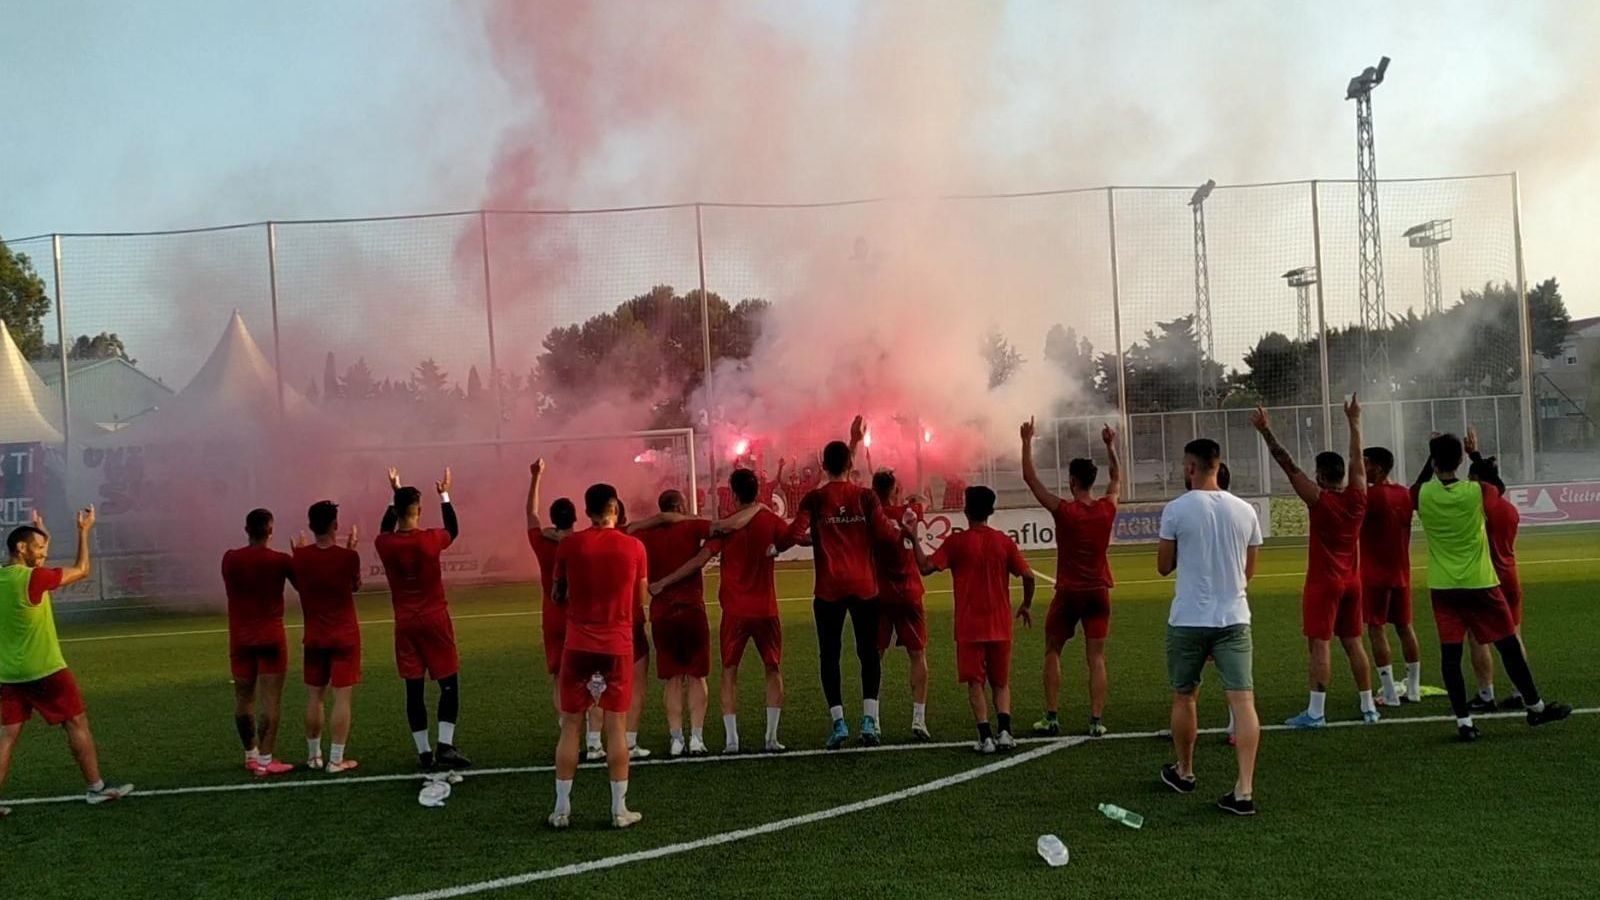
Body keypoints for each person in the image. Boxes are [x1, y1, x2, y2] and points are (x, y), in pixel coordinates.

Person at [1411, 433, 1569, 741]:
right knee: (1509, 646)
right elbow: (1499, 485)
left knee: (1450, 656)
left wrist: (1429, 457)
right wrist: (1476, 455)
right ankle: (1535, 708)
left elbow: (1416, 486)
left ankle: (1464, 723)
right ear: (1459, 461)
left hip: (1443, 587)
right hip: (1481, 583)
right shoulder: (1476, 491)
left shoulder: (1422, 495)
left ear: (1432, 461)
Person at [1252, 397, 1378, 727]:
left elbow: (1288, 465)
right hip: (1353, 581)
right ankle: (1369, 707)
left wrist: (1266, 432)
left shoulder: (1319, 501)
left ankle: (1316, 712)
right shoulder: (1358, 497)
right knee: (1354, 643)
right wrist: (1354, 423)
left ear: (1321, 476)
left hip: (1324, 583)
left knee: (1319, 645)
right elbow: (1357, 462)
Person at [0, 507, 133, 817]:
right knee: (76, 723)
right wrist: (84, 531)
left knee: (6, 737)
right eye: (40, 548)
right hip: (45, 669)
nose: (44, 554)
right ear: (22, 548)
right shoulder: (33, 579)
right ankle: (96, 788)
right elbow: (83, 569)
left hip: (8, 673)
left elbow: (38, 563)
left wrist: (41, 531)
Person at [652, 468, 794, 753]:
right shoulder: (769, 519)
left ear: (733, 493)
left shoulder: (727, 526)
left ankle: (731, 740)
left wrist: (665, 581)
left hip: (734, 611)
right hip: (766, 609)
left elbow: (699, 560)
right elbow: (793, 537)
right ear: (758, 491)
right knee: (773, 668)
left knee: (729, 671)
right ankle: (771, 737)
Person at [1156, 438, 1261, 817]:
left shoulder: (1176, 509)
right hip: (1233, 617)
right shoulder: (1245, 510)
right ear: (1219, 465)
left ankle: (1185, 771)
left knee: (1185, 696)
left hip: (1188, 619)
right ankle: (1245, 789)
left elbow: (1164, 565)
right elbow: (1248, 571)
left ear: (1190, 468)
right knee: (1243, 702)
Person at [787, 416, 902, 749]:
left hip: (828, 590)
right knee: (868, 653)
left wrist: (818, 538)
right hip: (865, 587)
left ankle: (838, 722)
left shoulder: (814, 499)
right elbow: (884, 535)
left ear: (823, 465)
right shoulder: (866, 498)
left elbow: (795, 534)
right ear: (851, 463)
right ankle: (870, 720)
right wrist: (901, 532)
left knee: (830, 655)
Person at [549, 483, 648, 829]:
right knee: (616, 725)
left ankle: (562, 809)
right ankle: (619, 810)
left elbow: (556, 594)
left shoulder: (569, 545)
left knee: (571, 725)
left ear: (587, 511)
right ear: (615, 509)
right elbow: (640, 599)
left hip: (578, 643)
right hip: (617, 644)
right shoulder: (634, 547)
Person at [910, 486, 1035, 753]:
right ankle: (1004, 733)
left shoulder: (957, 543)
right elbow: (1029, 576)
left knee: (975, 682)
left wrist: (913, 538)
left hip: (969, 627)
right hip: (1000, 625)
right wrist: (1026, 604)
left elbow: (924, 567)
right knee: (1001, 682)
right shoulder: (1003, 541)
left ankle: (985, 737)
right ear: (991, 510)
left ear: (966, 510)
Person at [1020, 418, 1120, 738]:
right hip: (1098, 591)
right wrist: (1110, 447)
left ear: (1073, 480)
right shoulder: (1106, 509)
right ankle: (1096, 721)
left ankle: (1051, 716)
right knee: (1097, 657)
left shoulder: (1064, 511)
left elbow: (1031, 480)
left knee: (1053, 649)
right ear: (1093, 481)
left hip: (1069, 592)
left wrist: (1026, 441)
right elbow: (1117, 478)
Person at [375, 467, 469, 771]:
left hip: (405, 622)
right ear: (419, 510)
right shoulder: (429, 540)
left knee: (413, 689)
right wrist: (444, 493)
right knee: (448, 683)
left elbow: (385, 527)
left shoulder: (385, 544)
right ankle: (445, 745)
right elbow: (453, 529)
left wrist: (395, 492)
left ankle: (425, 753)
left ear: (397, 509)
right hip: (435, 618)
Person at [627, 490, 715, 758]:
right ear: (681, 506)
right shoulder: (692, 525)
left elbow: (625, 530)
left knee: (673, 677)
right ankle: (697, 737)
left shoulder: (645, 534)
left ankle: (676, 738)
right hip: (691, 609)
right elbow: (719, 527)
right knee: (697, 675)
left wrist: (652, 520)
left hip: (662, 612)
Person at [220, 508, 296, 776]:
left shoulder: (230, 559)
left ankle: (250, 754)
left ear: (246, 530)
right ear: (271, 530)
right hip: (271, 636)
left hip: (240, 638)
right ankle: (265, 760)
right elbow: (301, 584)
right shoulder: (281, 560)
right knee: (271, 701)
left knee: (243, 699)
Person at [291, 501, 363, 773]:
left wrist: (297, 552)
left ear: (310, 526)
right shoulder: (348, 557)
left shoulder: (299, 557)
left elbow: (301, 585)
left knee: (315, 697)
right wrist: (351, 550)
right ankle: (335, 759)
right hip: (344, 635)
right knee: (342, 699)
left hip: (315, 636)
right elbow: (354, 585)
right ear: (336, 525)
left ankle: (313, 757)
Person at [1462, 428, 1526, 712]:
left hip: (1486, 578)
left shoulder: (1477, 508)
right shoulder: (1508, 508)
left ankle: (1486, 695)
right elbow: (1493, 482)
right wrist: (1475, 456)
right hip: (1510, 575)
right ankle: (1520, 692)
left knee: (1477, 636)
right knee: (1513, 636)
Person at [870, 468, 932, 741]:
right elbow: (923, 500)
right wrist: (908, 498)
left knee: (875, 657)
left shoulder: (872, 517)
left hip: (880, 594)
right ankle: (918, 719)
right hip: (909, 592)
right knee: (917, 655)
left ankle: (874, 720)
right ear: (895, 489)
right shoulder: (910, 512)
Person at [1360, 445, 1423, 708]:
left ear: (1378, 467)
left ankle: (1388, 691)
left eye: (1365, 463)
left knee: (1376, 629)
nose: (1361, 468)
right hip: (1401, 572)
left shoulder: (1371, 496)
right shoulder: (1405, 494)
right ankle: (1414, 687)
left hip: (1374, 574)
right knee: (1405, 627)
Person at [526, 459, 579, 714]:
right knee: (585, 674)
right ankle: (591, 736)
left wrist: (536, 477)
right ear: (576, 517)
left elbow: (531, 514)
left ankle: (564, 726)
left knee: (558, 675)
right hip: (580, 616)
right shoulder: (583, 544)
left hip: (552, 617)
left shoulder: (542, 541)